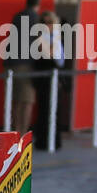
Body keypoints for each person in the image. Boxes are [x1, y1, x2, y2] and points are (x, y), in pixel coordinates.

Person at [32, 10, 65, 149]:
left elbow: (57, 57)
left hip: (54, 75)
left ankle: (53, 141)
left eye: (49, 22)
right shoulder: (42, 37)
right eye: (44, 23)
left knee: (54, 109)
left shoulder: (55, 37)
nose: (47, 25)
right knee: (44, 109)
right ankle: (43, 140)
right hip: (43, 77)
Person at [10, 0, 40, 134]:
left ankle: (14, 131)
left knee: (15, 100)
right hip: (26, 64)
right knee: (27, 100)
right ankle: (22, 134)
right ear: (37, 4)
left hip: (11, 63)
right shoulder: (34, 18)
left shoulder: (17, 16)